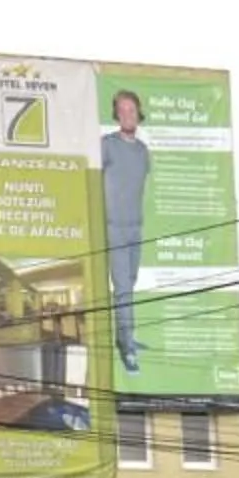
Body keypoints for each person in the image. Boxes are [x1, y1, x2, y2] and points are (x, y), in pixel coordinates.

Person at [100, 88, 150, 373]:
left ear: (138, 113)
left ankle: (125, 335)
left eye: (132, 110)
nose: (127, 114)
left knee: (129, 284)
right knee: (122, 290)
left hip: (136, 227)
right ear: (116, 115)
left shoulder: (143, 152)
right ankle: (127, 349)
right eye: (122, 110)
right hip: (115, 227)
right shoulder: (106, 145)